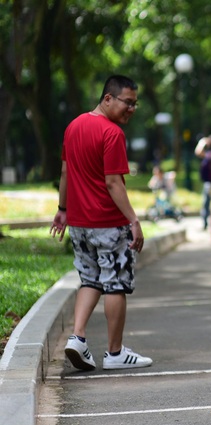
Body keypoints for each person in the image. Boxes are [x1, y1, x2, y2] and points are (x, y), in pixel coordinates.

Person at [50, 74, 153, 371]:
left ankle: (78, 338)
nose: (131, 109)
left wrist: (62, 209)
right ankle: (115, 352)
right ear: (108, 98)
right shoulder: (112, 133)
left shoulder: (73, 127)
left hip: (80, 224)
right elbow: (113, 183)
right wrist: (134, 220)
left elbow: (66, 172)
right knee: (116, 284)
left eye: (135, 104)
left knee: (90, 279)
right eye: (127, 102)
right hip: (107, 221)